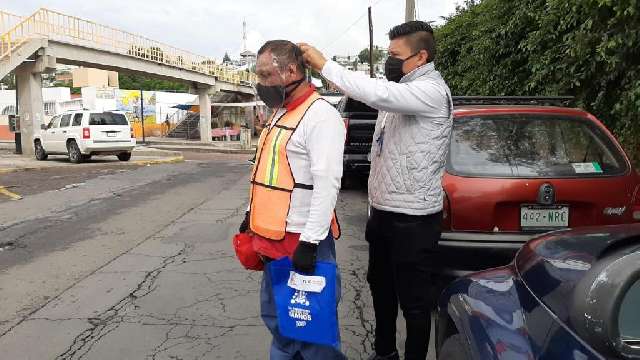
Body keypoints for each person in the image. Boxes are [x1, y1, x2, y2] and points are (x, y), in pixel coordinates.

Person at [299, 21, 453, 360]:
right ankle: (384, 353)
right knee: (380, 289)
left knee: (414, 303)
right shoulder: (401, 87)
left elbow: (376, 92)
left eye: (395, 55)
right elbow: (364, 91)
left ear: (421, 56)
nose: (389, 61)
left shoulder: (429, 91)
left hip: (414, 219)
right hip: (383, 211)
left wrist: (326, 64)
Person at [238, 39, 346, 359]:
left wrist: (310, 242)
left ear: (292, 70)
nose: (262, 84)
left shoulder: (320, 116)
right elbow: (266, 171)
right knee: (279, 322)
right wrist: (249, 215)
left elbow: (327, 183)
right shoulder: (278, 113)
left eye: (267, 75)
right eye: (258, 76)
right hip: (271, 238)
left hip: (302, 240)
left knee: (312, 329)